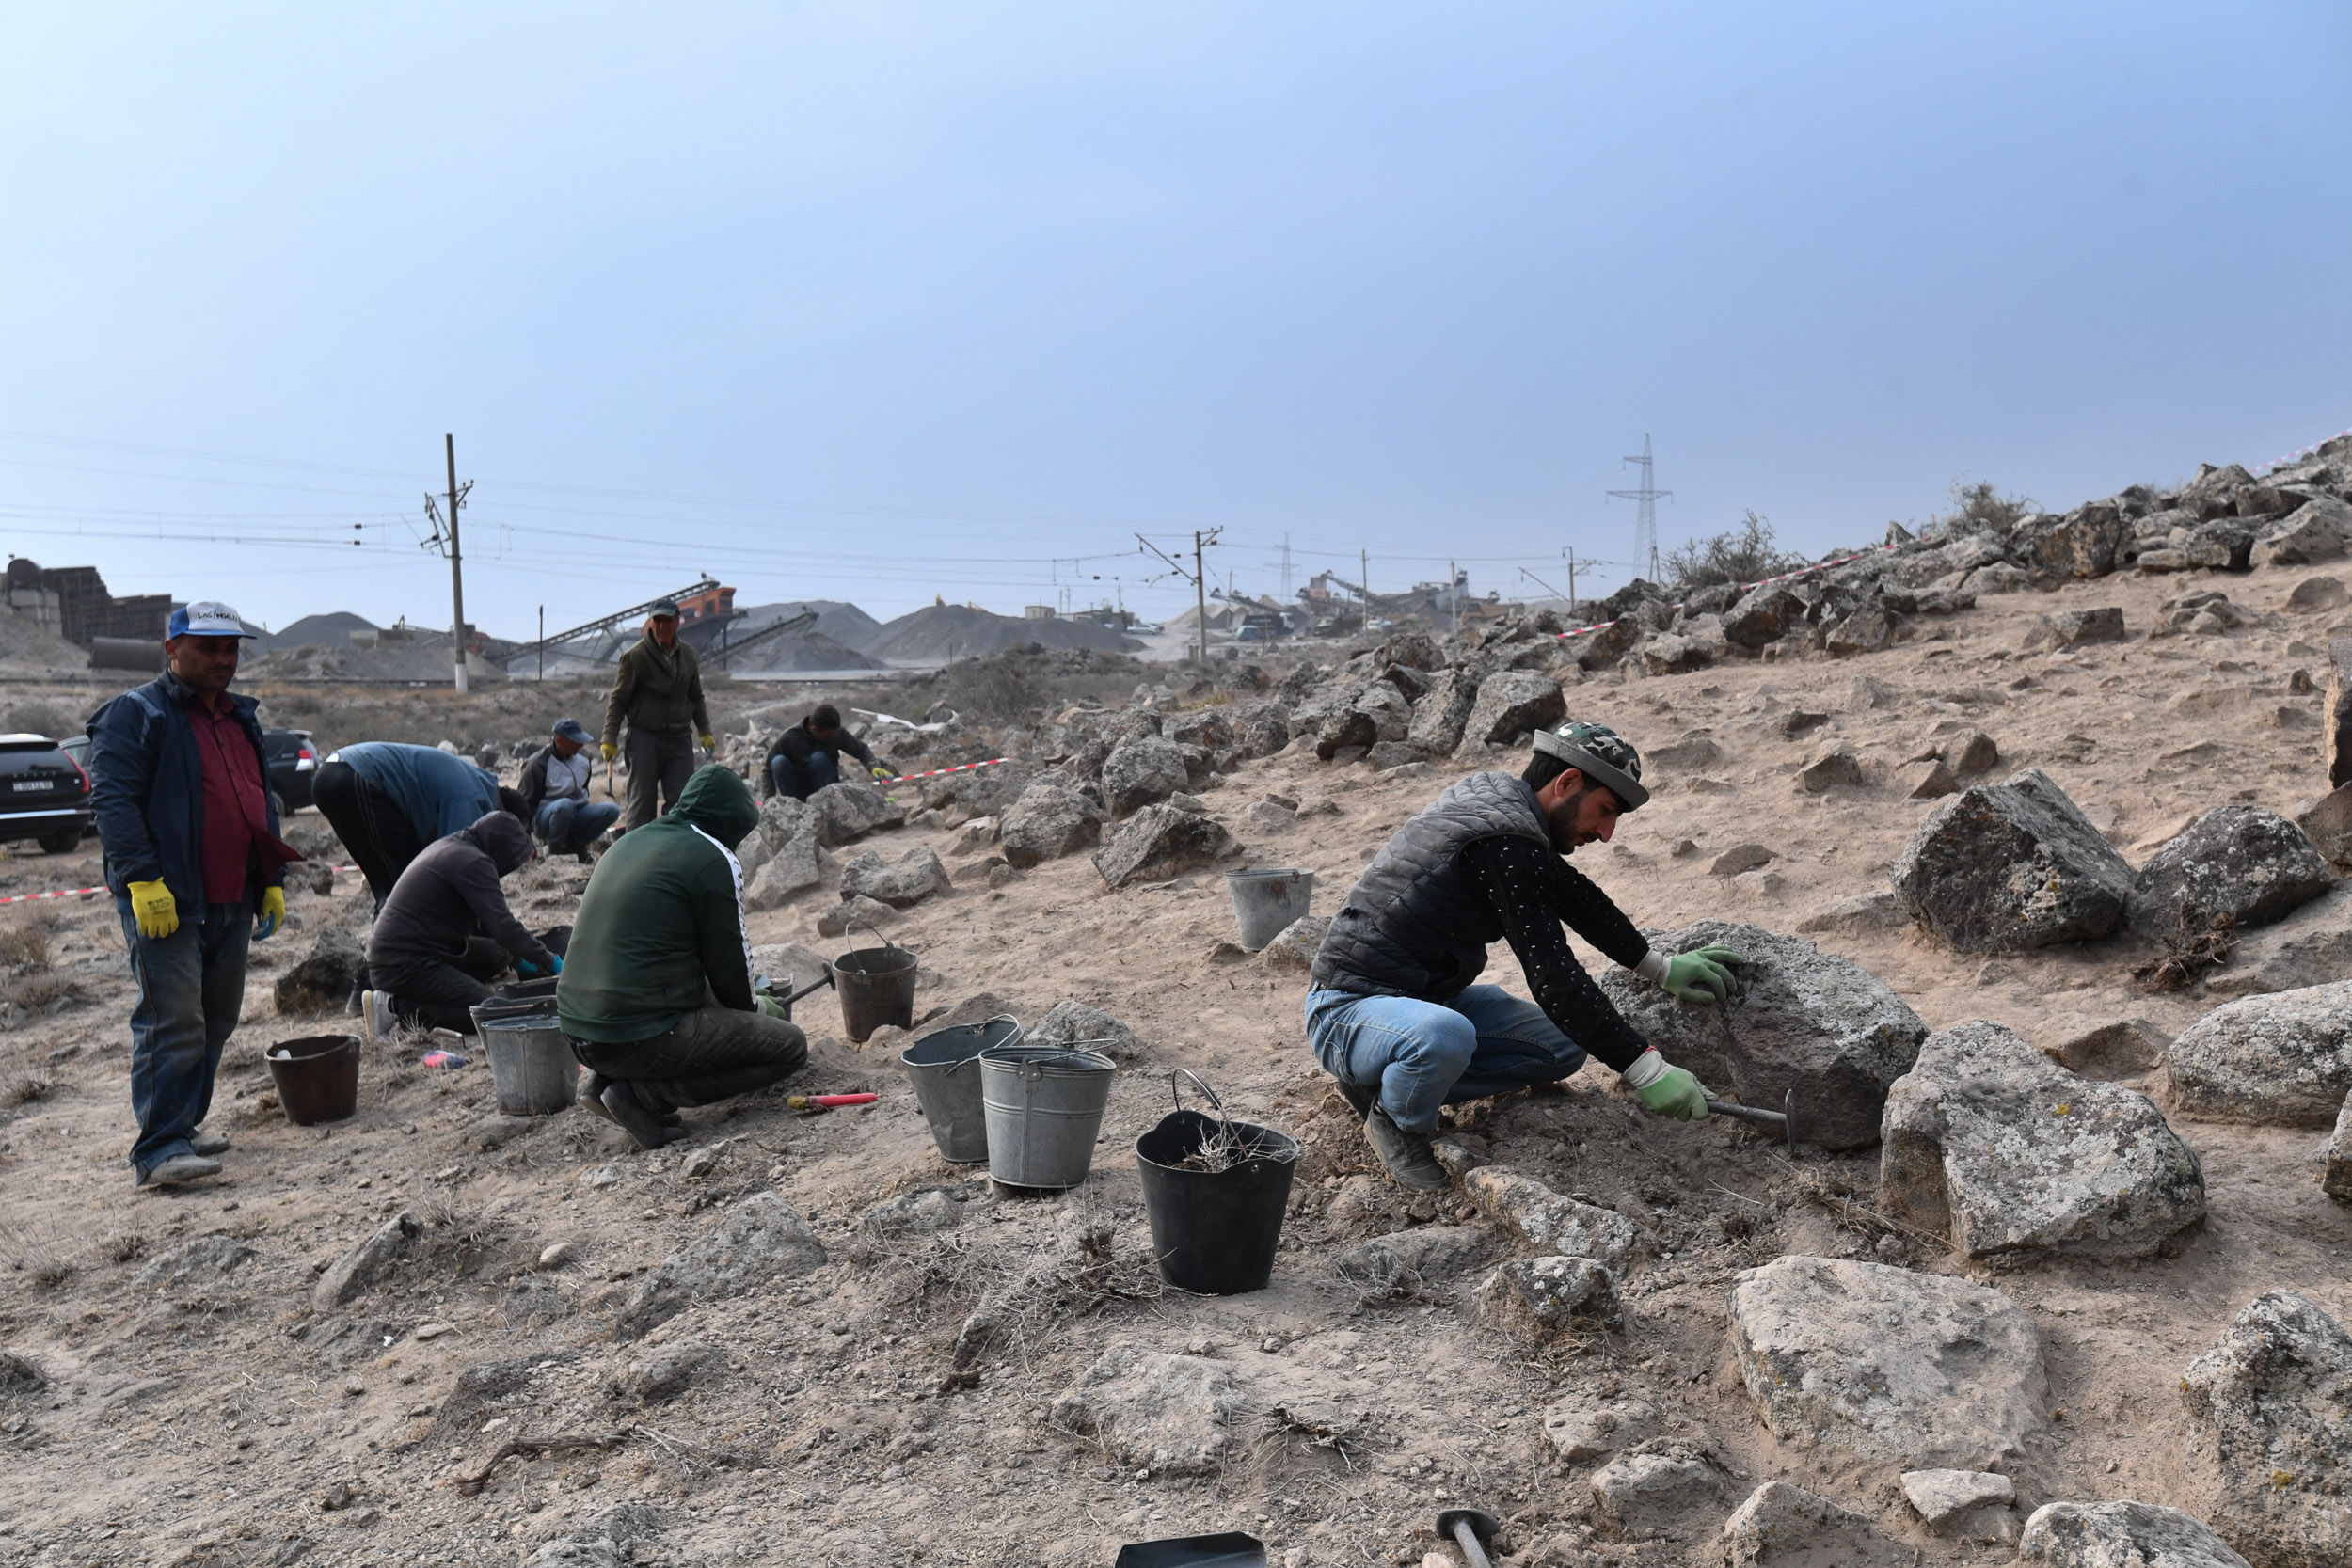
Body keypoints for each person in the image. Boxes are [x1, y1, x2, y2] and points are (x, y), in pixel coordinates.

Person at [1305, 721, 1745, 1191]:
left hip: (1423, 1002)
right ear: (1567, 782)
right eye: (1605, 811)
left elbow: (1578, 899)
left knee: (1562, 1047)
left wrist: (1660, 966)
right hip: (1347, 1008)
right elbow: (1554, 976)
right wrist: (1648, 1069)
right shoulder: (1502, 839)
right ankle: (1395, 1120)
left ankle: (1391, 1078)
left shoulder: (1505, 809)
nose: (1606, 833)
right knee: (1443, 1037)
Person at [87, 600, 296, 1189]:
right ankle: (159, 1149)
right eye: (208, 648)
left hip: (232, 896)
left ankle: (183, 1124)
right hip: (168, 900)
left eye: (231, 649)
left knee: (216, 1018)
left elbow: (258, 800)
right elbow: (112, 802)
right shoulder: (137, 713)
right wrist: (141, 879)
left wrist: (271, 880)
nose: (223, 660)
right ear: (172, 649)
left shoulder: (240, 718)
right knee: (173, 1019)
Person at [557, 764, 807, 1150]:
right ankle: (642, 1096)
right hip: (629, 1035)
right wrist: (761, 1008)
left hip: (577, 1028)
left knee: (677, 991)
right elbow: (731, 972)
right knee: (789, 1047)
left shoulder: (632, 841)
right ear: (731, 821)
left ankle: (606, 1082)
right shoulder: (713, 856)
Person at [359, 810, 558, 1039]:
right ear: (501, 849)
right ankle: (395, 1007)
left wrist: (518, 961)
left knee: (498, 955)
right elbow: (504, 928)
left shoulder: (458, 847)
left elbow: (486, 923)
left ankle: (438, 991)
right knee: (492, 1014)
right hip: (400, 964)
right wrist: (552, 962)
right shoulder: (473, 863)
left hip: (414, 950)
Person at [311, 740, 508, 909]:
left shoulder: (473, 784)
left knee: (396, 882)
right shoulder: (471, 796)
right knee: (405, 886)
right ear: (501, 813)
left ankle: (392, 937)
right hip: (353, 776)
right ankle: (396, 940)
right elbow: (456, 860)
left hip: (338, 775)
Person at [599, 601, 713, 832]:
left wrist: (705, 732)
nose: (662, 626)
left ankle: (675, 848)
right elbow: (618, 699)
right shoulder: (635, 657)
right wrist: (609, 738)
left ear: (677, 621)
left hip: (680, 738)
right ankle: (638, 851)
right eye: (657, 621)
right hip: (644, 738)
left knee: (682, 803)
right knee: (642, 802)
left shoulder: (688, 655)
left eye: (667, 621)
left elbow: (696, 697)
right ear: (651, 623)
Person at [517, 717, 620, 862]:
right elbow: (523, 804)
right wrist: (525, 840)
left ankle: (575, 845)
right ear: (560, 741)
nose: (581, 745)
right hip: (545, 819)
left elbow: (584, 791)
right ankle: (554, 851)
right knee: (565, 805)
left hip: (575, 813)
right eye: (576, 741)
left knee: (611, 810)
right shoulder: (538, 764)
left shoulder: (584, 759)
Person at [762, 704, 891, 800]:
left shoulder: (837, 733)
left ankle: (828, 804)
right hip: (797, 791)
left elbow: (862, 750)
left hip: (827, 789)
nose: (833, 736)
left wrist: (874, 767)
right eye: (829, 734)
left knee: (818, 759)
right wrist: (768, 800)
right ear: (814, 729)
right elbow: (767, 769)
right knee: (778, 762)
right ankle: (791, 808)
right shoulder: (790, 737)